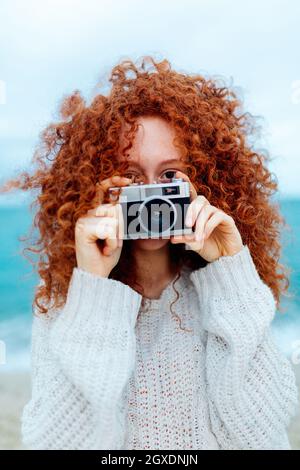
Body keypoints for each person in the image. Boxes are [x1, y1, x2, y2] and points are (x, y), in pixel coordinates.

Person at [2, 56, 298, 450]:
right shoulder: (64, 301)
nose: (153, 196)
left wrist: (231, 269)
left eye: (171, 176)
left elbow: (263, 435)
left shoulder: (230, 293)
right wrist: (93, 288)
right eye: (132, 177)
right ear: (99, 183)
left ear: (206, 180)